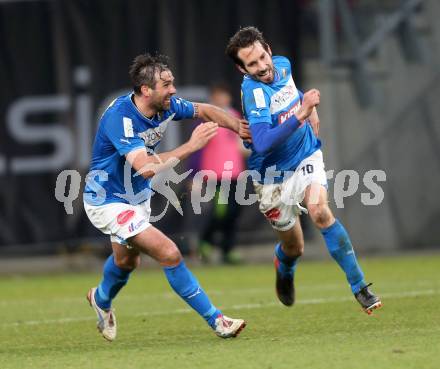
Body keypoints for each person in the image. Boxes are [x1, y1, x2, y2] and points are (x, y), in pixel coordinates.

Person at [83, 53, 247, 341]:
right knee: (170, 252)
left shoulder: (165, 107)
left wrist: (241, 128)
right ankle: (217, 320)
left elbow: (206, 110)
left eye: (172, 83)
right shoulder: (120, 118)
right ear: (146, 90)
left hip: (135, 197)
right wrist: (190, 147)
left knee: (126, 263)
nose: (173, 89)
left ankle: (101, 298)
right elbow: (146, 168)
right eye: (166, 84)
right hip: (106, 200)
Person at [225, 26, 382, 314]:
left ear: (269, 50)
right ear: (241, 69)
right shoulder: (254, 93)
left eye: (262, 57)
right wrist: (302, 112)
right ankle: (283, 267)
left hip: (305, 155)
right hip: (271, 177)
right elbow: (260, 142)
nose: (262, 67)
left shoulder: (282, 65)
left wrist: (309, 106)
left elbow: (291, 91)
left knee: (320, 211)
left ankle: (360, 287)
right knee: (294, 247)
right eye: (252, 64)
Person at [193, 82, 247, 264]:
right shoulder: (208, 120)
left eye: (224, 96)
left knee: (234, 211)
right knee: (223, 210)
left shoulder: (235, 116)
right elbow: (197, 148)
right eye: (217, 97)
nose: (221, 100)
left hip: (236, 173)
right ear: (212, 100)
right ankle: (206, 241)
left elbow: (241, 145)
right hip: (215, 174)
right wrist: (194, 175)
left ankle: (227, 249)